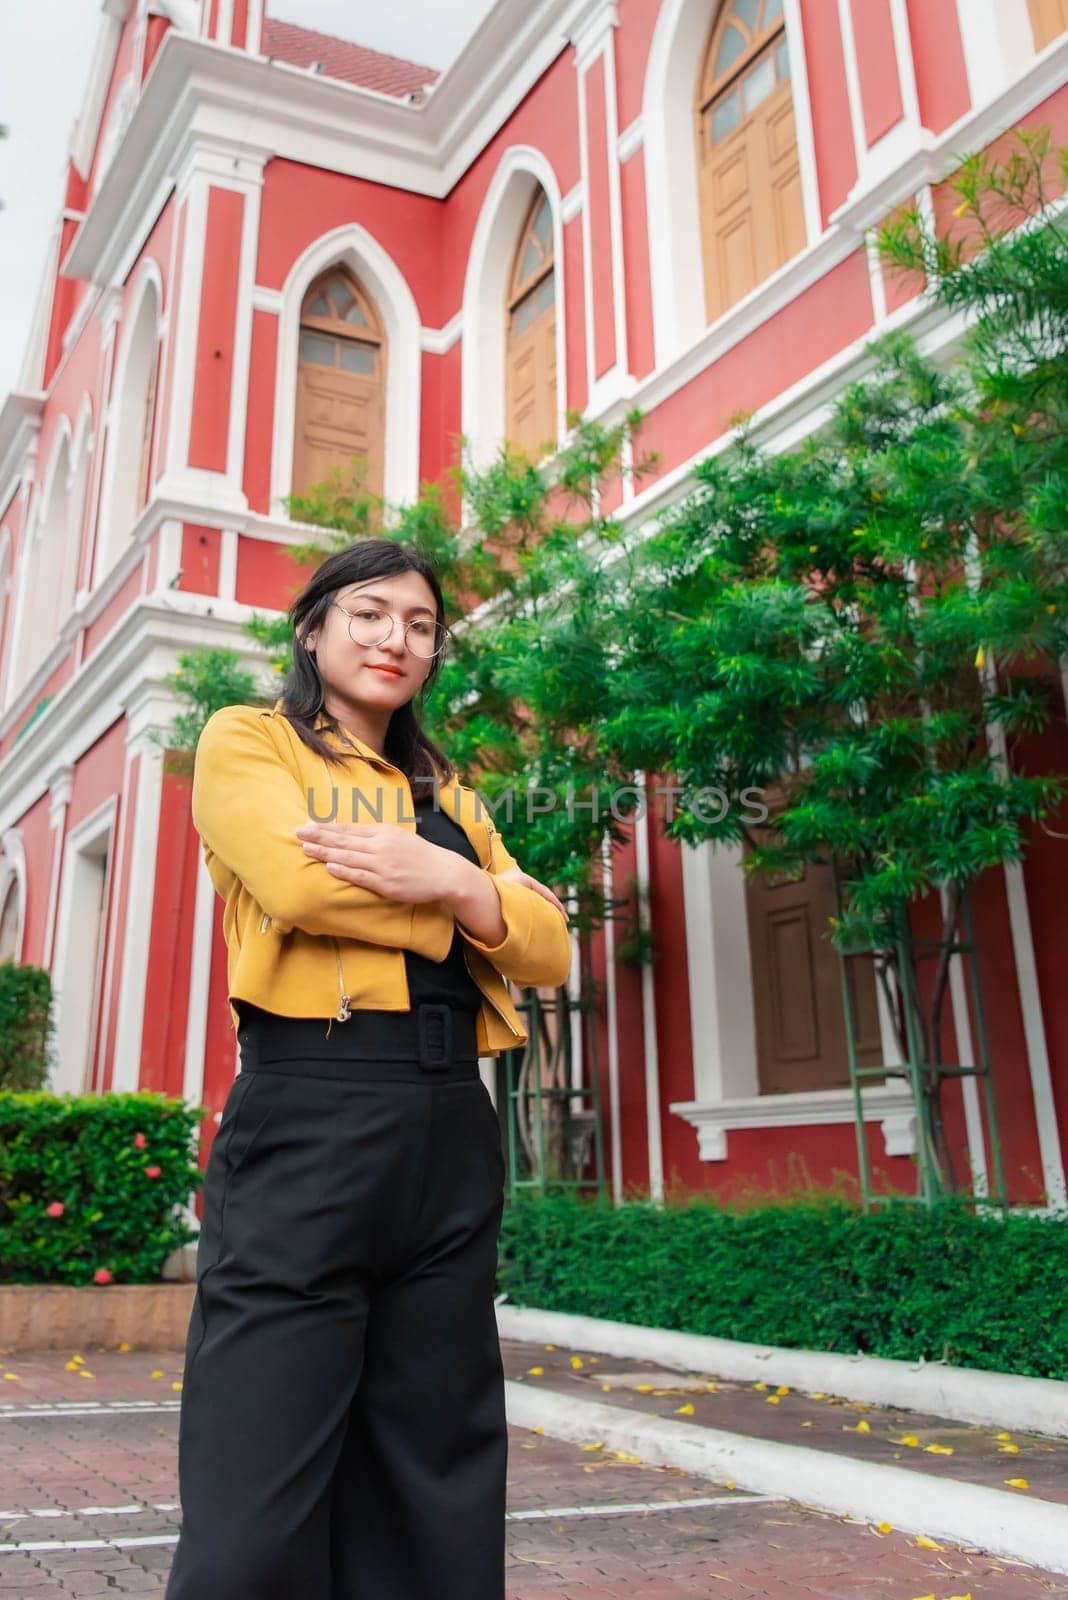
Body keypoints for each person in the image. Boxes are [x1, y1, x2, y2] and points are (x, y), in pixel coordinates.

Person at [165, 538, 573, 1600]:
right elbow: (303, 888)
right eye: (371, 612)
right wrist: (464, 911)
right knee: (255, 1497)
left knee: (435, 1474)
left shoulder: (452, 796)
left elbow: (550, 942)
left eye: (422, 624)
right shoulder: (248, 741)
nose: (399, 637)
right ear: (313, 628)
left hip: (448, 1125)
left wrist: (449, 874)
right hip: (313, 1110)